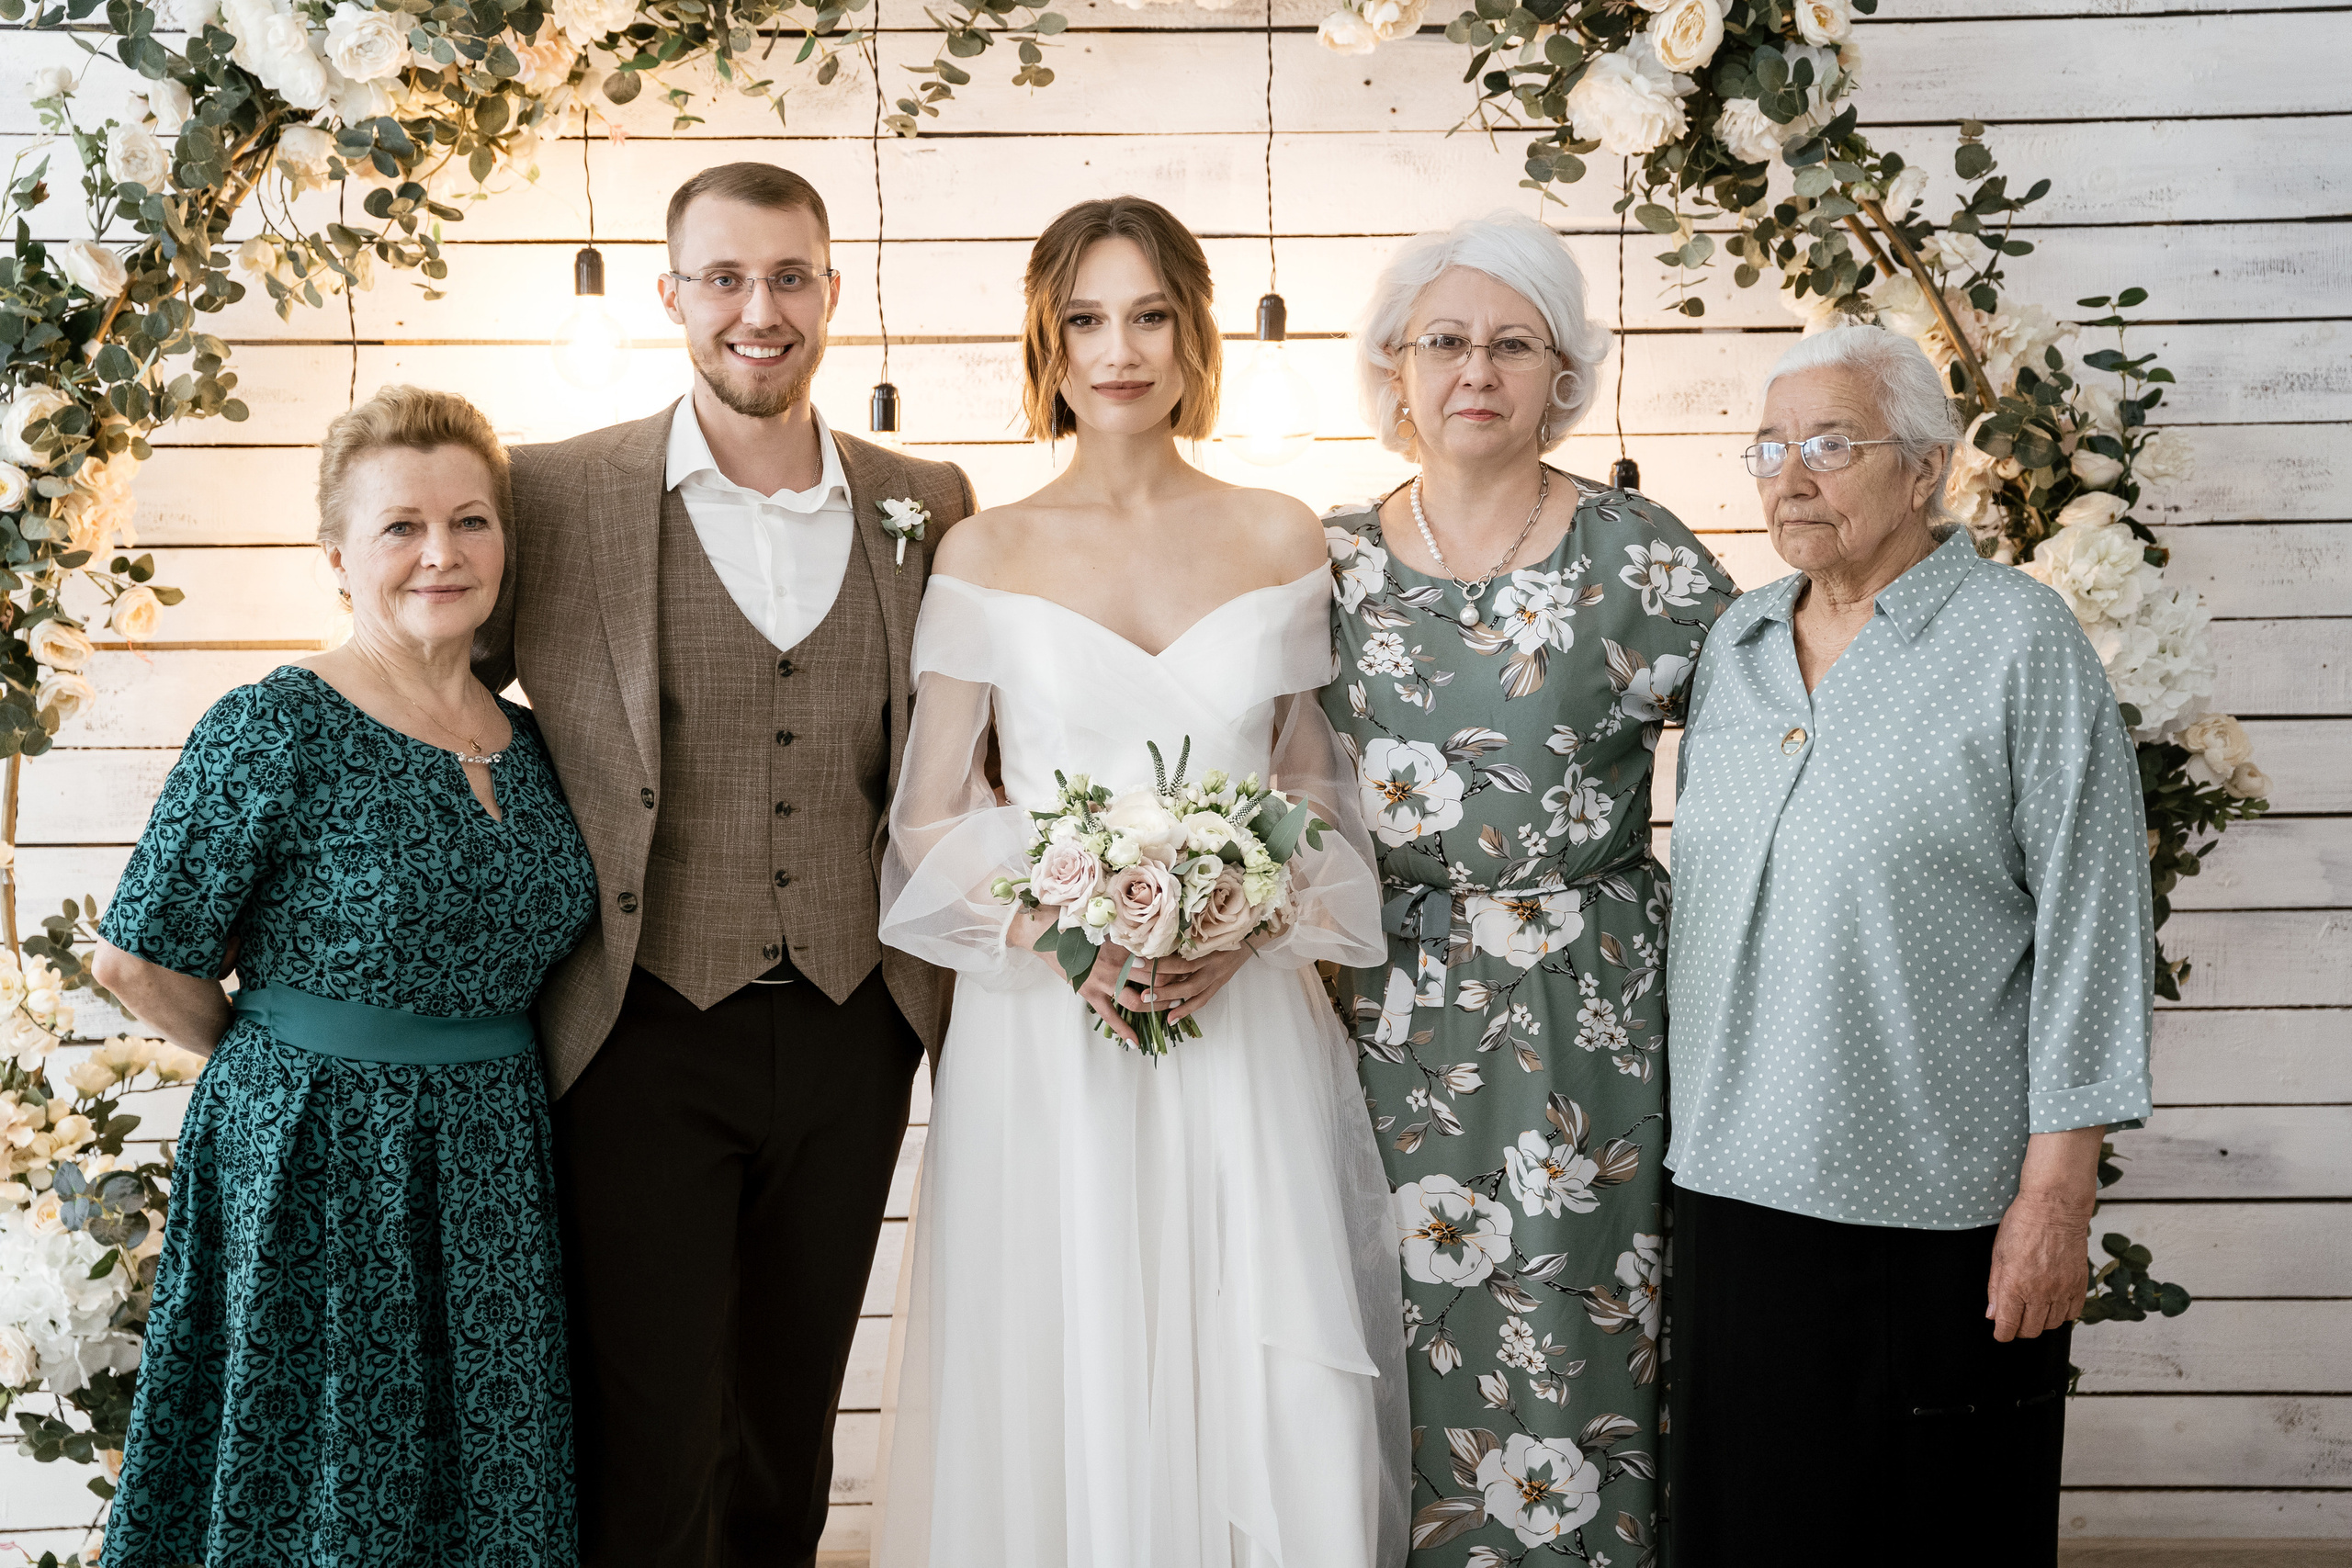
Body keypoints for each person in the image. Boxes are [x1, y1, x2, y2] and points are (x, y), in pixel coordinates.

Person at [873, 196, 1408, 1567]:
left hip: (1240, 1018)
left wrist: (1240, 917)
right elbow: (933, 814)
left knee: (1252, 1337)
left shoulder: (1282, 533)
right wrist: (1071, 939)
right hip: (1054, 1031)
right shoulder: (983, 551)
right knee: (1071, 1335)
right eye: (1089, 320)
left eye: (1151, 314)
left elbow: (1303, 780)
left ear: (1193, 333)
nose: (1121, 350)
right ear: (1049, 346)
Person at [469, 163, 976, 1566]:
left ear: (833, 288)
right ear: (673, 296)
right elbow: (437, 697)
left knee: (789, 1415)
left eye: (791, 276)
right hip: (634, 1026)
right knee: (648, 1418)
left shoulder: (925, 499)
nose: (761, 310)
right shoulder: (556, 493)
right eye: (727, 278)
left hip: (853, 1020)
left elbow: (972, 745)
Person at [1663, 324, 2154, 1564]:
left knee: (1934, 1530)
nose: (1791, 475)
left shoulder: (2017, 640)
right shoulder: (1739, 641)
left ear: (1926, 467)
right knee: (1752, 1526)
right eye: (1770, 446)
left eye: (1831, 443)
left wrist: (2057, 1194)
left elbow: (2095, 919)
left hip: (1935, 1201)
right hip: (1731, 1184)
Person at [91, 386, 595, 1566]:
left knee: (486, 1467)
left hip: (492, 1160)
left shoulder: (535, 741)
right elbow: (137, 959)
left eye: (471, 522)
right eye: (401, 527)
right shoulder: (276, 724)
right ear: (337, 556)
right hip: (319, 1154)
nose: (441, 552)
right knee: (324, 1469)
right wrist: (285, 1073)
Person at [1317, 210, 1736, 1563]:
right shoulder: (1323, 564)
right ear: (1394, 367)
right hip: (1384, 1005)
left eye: (1513, 341)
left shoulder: (1642, 554)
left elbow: (1775, 746)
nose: (1475, 369)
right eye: (1443, 339)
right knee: (1389, 1319)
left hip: (1593, 1007)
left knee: (1586, 1320)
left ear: (1566, 373)